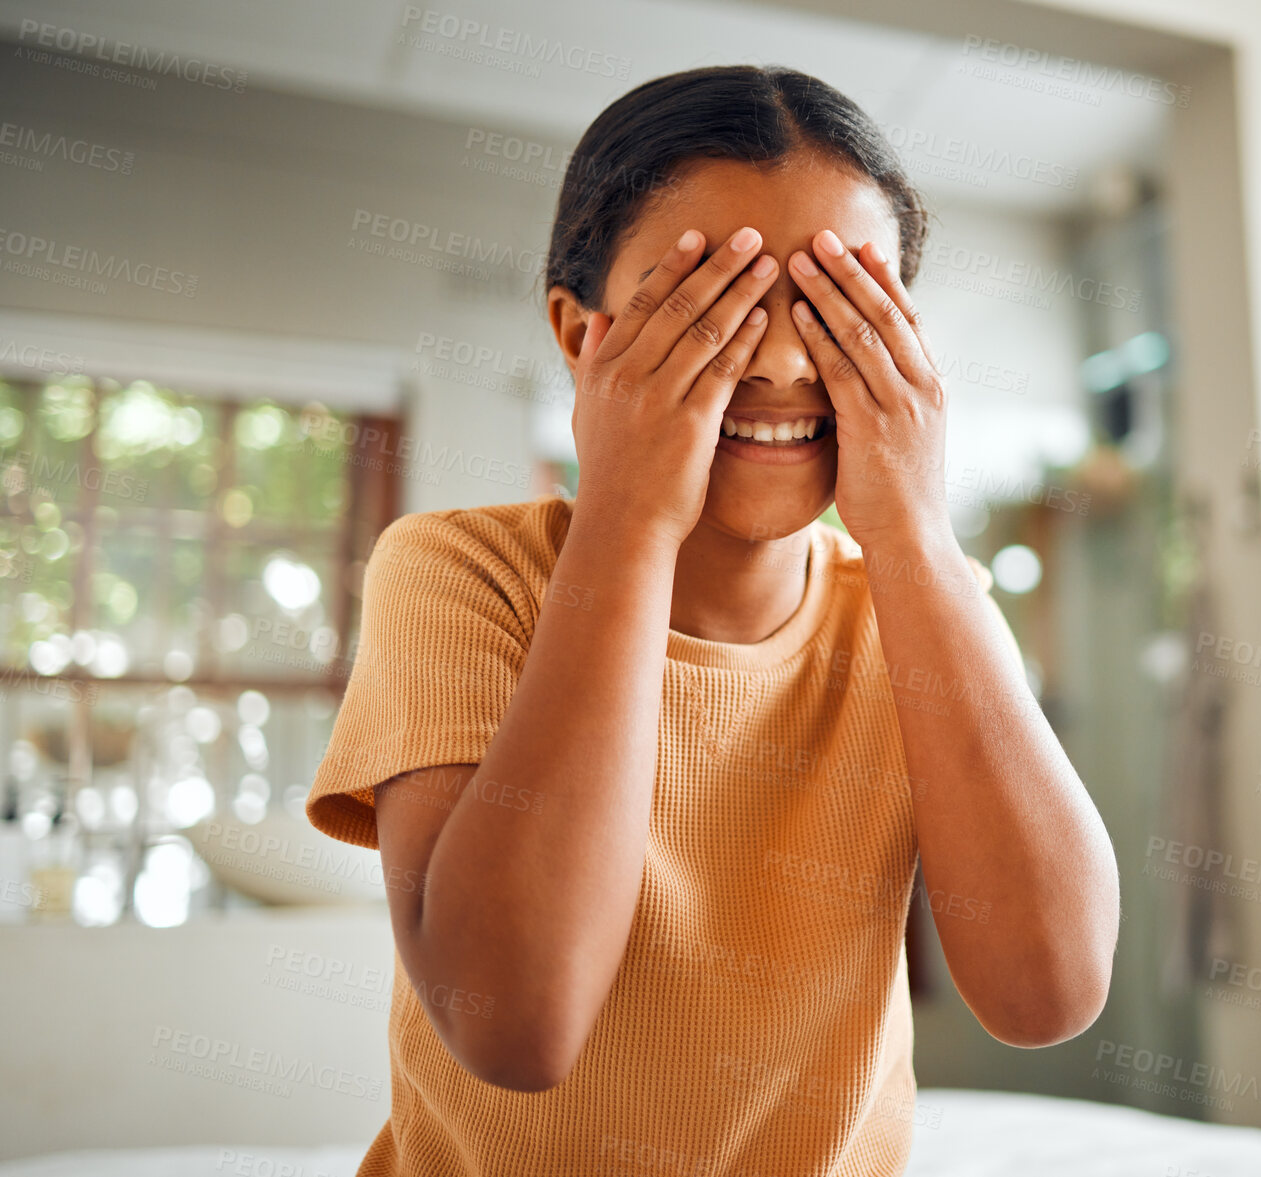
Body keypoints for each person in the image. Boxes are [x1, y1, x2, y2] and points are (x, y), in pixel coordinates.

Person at [306, 63, 1119, 1177]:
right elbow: (514, 1026)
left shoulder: (923, 601)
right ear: (578, 332)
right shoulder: (460, 571)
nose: (783, 361)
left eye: (837, 309)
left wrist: (916, 535)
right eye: (714, 304)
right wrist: (630, 517)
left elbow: (1048, 991)